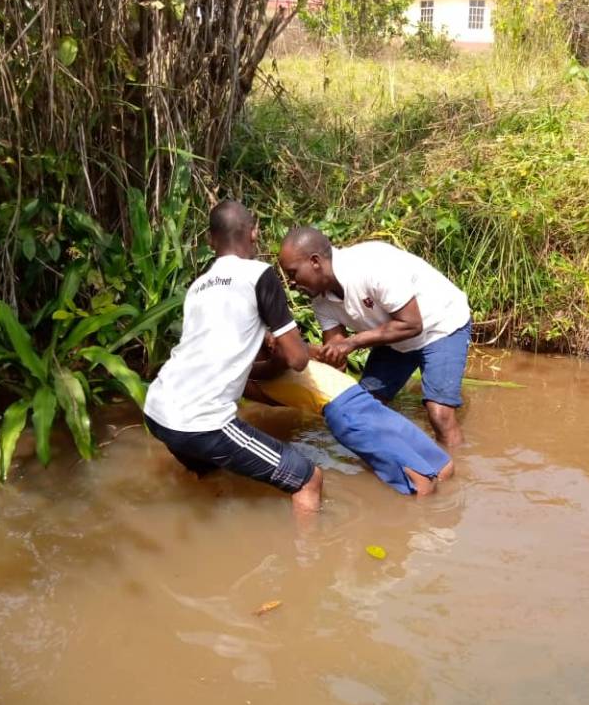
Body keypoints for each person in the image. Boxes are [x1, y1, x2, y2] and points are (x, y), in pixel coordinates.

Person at [143, 201, 322, 514]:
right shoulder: (259, 275)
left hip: (157, 410)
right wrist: (293, 351)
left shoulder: (197, 288)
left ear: (211, 240)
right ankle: (309, 560)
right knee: (308, 478)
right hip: (201, 422)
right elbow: (297, 360)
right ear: (254, 233)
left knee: (212, 475)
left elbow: (218, 354)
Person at [277, 228, 471, 447]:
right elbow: (336, 352)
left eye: (293, 273)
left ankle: (455, 475)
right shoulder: (321, 301)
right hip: (393, 336)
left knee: (439, 414)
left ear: (315, 261)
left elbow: (412, 324)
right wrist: (316, 357)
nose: (290, 283)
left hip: (440, 325)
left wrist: (352, 342)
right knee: (364, 408)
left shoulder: (371, 266)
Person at [245, 350, 453, 496]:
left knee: (443, 465)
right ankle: (424, 522)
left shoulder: (288, 350)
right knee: (420, 480)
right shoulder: (251, 373)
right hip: (345, 412)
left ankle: (432, 515)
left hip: (361, 399)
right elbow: (271, 395)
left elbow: (305, 355)